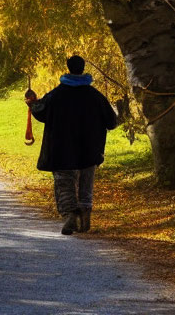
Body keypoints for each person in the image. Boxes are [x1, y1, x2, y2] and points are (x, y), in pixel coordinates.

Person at [26, 54, 117, 236]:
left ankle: (70, 215)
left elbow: (41, 111)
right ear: (83, 69)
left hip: (62, 149)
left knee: (64, 183)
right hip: (90, 149)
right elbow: (112, 121)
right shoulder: (95, 96)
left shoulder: (56, 95)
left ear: (68, 69)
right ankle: (84, 217)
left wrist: (31, 103)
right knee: (86, 183)